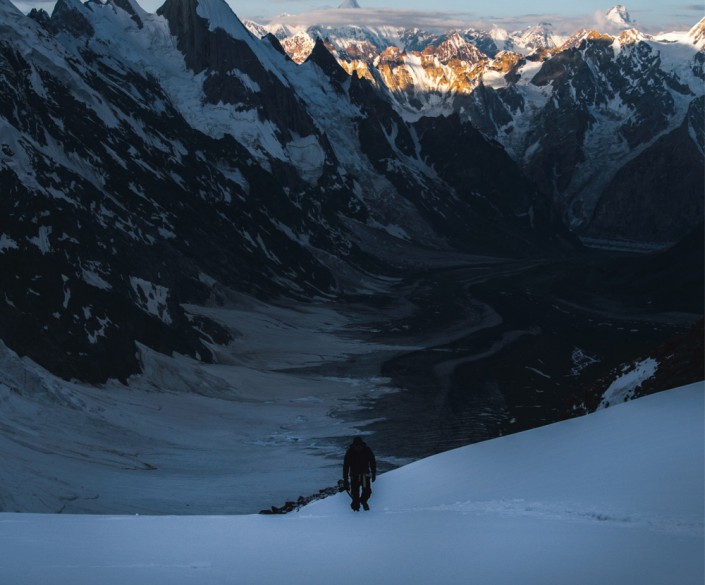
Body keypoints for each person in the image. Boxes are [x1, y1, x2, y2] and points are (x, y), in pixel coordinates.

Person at [343, 436, 376, 511]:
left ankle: (360, 503)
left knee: (363, 491)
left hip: (362, 475)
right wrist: (345, 479)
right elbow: (346, 465)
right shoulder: (352, 451)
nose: (358, 447)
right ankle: (357, 505)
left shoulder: (365, 450)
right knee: (359, 491)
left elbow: (345, 466)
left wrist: (345, 479)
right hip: (356, 475)